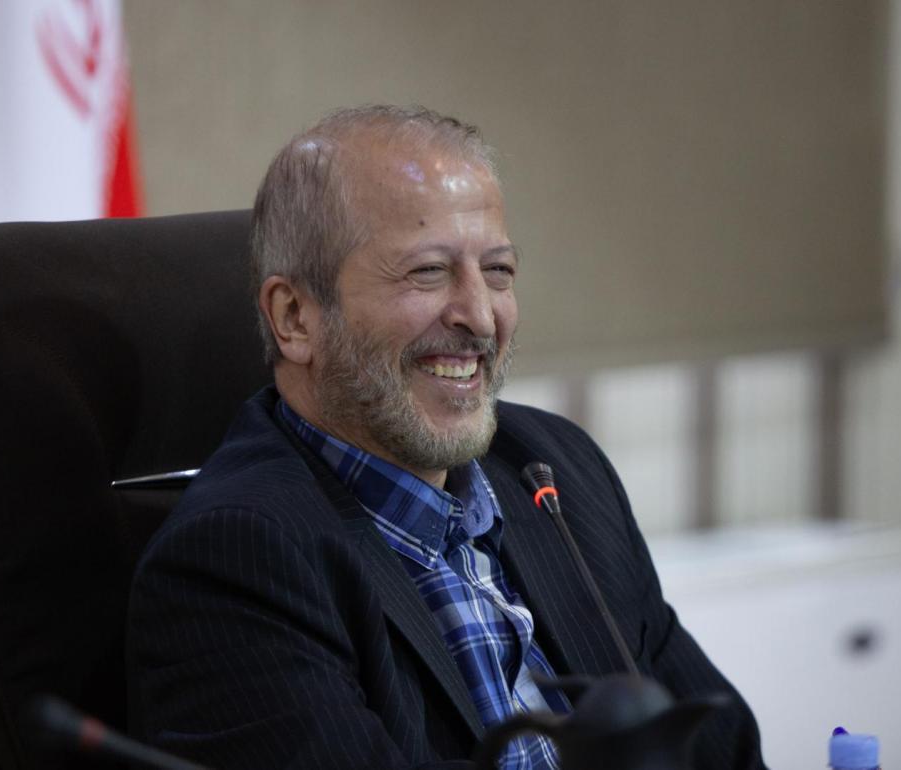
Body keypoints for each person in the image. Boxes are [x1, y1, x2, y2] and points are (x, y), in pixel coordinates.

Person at [126, 105, 766, 770]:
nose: (480, 317)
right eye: (428, 271)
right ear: (295, 318)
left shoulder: (558, 470)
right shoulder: (238, 561)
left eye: (498, 271)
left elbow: (724, 752)